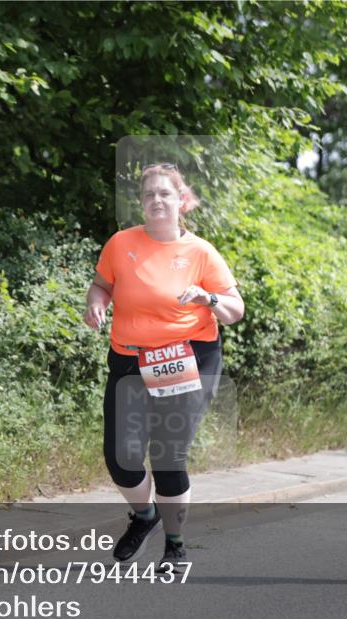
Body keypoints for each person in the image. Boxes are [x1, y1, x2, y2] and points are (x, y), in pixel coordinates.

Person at [83, 164, 244, 571]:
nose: (156, 200)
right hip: (131, 358)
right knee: (122, 457)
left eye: (165, 194)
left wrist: (207, 299)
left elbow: (234, 311)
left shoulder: (201, 252)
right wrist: (96, 303)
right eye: (149, 194)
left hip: (186, 358)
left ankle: (175, 546)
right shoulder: (121, 244)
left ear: (181, 202)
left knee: (169, 454)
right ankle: (144, 516)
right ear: (142, 202)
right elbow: (102, 283)